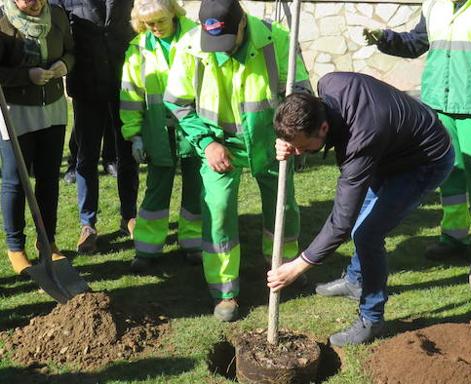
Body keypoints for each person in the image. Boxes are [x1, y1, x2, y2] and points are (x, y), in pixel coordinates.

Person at [267, 72, 454, 347]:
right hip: (390, 149)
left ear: (323, 129)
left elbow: (340, 223)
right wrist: (289, 141)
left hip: (424, 161)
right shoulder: (328, 84)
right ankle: (356, 281)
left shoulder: (360, 142)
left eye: (304, 148)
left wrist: (297, 266)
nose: (300, 153)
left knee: (366, 233)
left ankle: (372, 317)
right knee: (361, 227)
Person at [164, 0, 311, 322]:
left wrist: (289, 137)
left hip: (269, 141)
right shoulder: (190, 46)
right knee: (217, 209)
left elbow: (300, 92)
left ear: (242, 23)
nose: (221, 50)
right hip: (218, 143)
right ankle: (224, 291)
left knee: (283, 207)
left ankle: (283, 270)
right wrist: (207, 143)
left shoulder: (277, 39)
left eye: (227, 40)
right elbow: (177, 102)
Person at [362, 0, 471, 260]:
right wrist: (385, 38)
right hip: (438, 103)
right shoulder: (433, 5)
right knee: (449, 171)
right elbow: (416, 42)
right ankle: (454, 237)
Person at [50, 0, 139, 254]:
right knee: (86, 156)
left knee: (127, 152)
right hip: (86, 81)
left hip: (124, 79)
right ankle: (87, 225)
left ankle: (129, 216)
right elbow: (58, 28)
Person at [120, 0, 202, 273]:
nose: (155, 28)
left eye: (160, 22)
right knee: (156, 188)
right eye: (148, 24)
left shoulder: (197, 38)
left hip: (193, 125)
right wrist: (135, 137)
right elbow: (130, 95)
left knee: (196, 184)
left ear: (173, 14)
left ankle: (193, 242)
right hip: (156, 130)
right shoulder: (138, 48)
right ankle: (146, 248)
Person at [0, 0, 73, 274]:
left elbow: (71, 51)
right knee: (15, 181)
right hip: (14, 112)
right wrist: (26, 76)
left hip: (53, 109)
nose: (35, 3)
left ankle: (47, 242)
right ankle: (15, 248)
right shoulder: (2, 20)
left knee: (48, 178)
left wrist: (65, 64)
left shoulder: (55, 14)